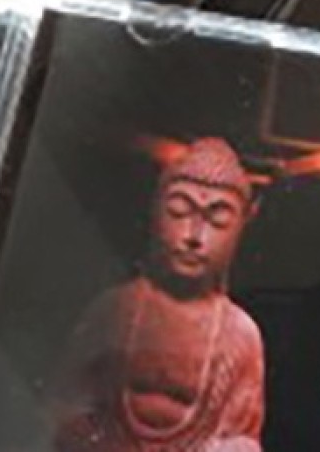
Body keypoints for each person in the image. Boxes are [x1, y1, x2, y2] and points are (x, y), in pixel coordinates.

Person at [52, 138, 265, 452]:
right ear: (156, 214)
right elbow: (66, 406)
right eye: (179, 211)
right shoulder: (115, 310)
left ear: (239, 229)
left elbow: (243, 437)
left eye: (217, 220)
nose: (194, 236)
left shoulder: (241, 334)